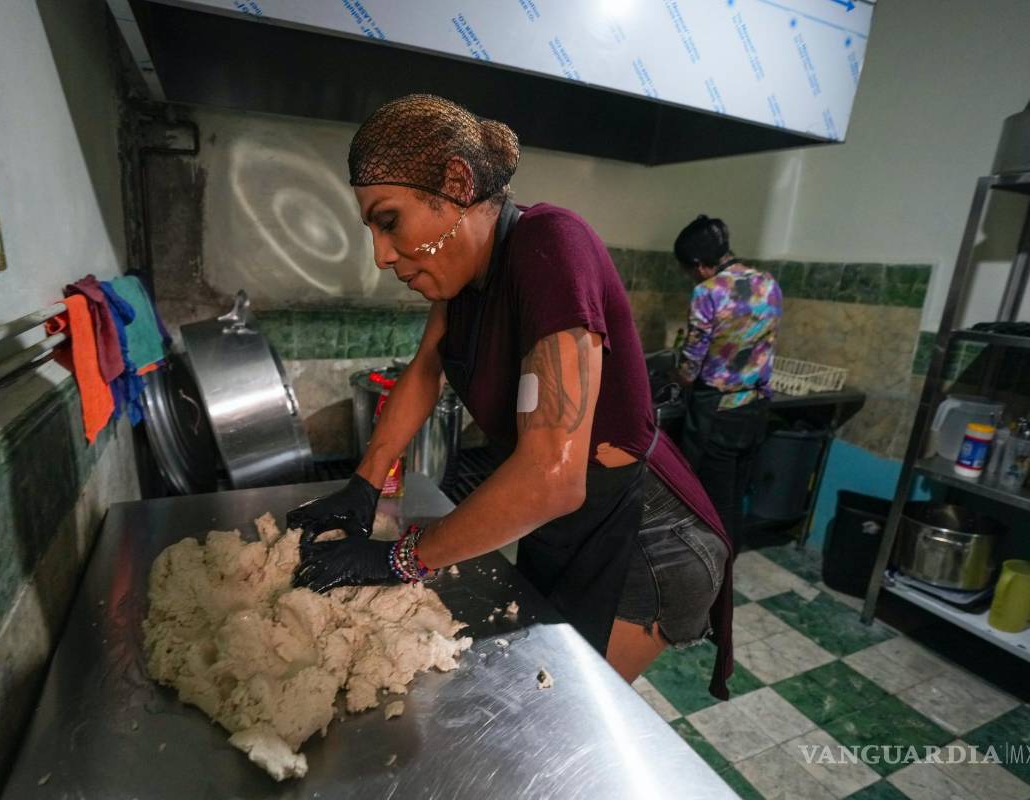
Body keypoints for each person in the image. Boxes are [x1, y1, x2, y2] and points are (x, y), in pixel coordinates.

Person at [288, 95, 736, 697]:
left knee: (565, 712)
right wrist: (365, 484)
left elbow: (553, 478)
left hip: (646, 541)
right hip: (565, 528)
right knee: (540, 687)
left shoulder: (552, 246)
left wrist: (399, 560)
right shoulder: (464, 283)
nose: (381, 254)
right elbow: (424, 372)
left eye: (388, 220)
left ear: (455, 184)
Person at [673, 215, 782, 556]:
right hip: (755, 408)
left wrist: (680, 379)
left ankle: (710, 569)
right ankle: (729, 562)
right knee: (734, 495)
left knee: (706, 497)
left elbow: (692, 363)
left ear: (698, 265)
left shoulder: (708, 292)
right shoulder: (768, 283)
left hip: (716, 411)